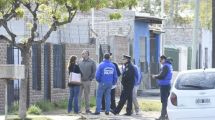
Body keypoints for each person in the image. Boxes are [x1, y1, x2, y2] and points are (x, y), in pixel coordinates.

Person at [152, 55, 173, 120]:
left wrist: (155, 76)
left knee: (164, 101)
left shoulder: (165, 66)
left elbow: (162, 76)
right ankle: (166, 116)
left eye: (160, 60)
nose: (160, 61)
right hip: (167, 85)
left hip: (164, 86)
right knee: (166, 101)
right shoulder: (169, 65)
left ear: (164, 59)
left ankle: (163, 116)